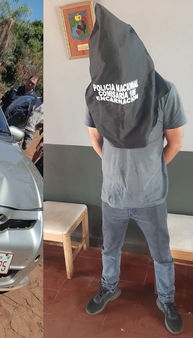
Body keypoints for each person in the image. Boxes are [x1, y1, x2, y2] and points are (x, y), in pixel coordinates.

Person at [83, 4, 186, 335]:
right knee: (109, 248)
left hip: (151, 196)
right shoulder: (97, 95)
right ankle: (109, 286)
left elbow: (176, 143)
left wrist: (150, 171)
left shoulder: (165, 91)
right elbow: (94, 138)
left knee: (161, 254)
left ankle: (167, 299)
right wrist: (115, 169)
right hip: (112, 195)